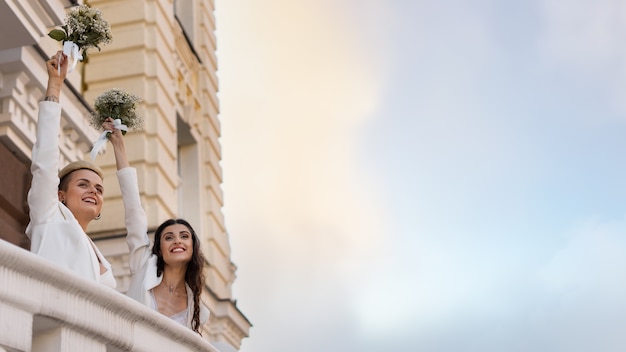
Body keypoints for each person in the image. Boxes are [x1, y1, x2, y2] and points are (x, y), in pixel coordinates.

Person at [26, 51, 147, 289]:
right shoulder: (48, 216)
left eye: (99, 189)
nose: (93, 191)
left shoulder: (100, 257)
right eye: (83, 184)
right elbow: (45, 160)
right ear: (60, 195)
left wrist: (119, 146)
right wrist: (55, 86)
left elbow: (136, 216)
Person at [126, 218, 209, 334]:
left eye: (184, 236)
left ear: (193, 247)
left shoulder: (199, 312)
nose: (177, 241)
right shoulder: (143, 268)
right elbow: (134, 218)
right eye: (169, 237)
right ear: (160, 250)